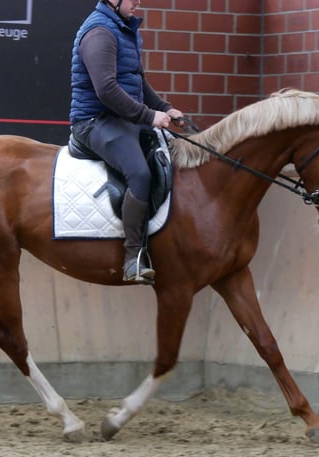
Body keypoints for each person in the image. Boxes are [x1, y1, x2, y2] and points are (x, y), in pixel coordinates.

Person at [69, 0, 182, 284]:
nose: (138, 2)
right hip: (95, 121)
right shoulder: (99, 32)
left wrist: (164, 107)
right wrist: (148, 115)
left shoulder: (123, 28)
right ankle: (134, 257)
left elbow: (135, 80)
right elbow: (106, 89)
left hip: (123, 119)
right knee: (140, 174)